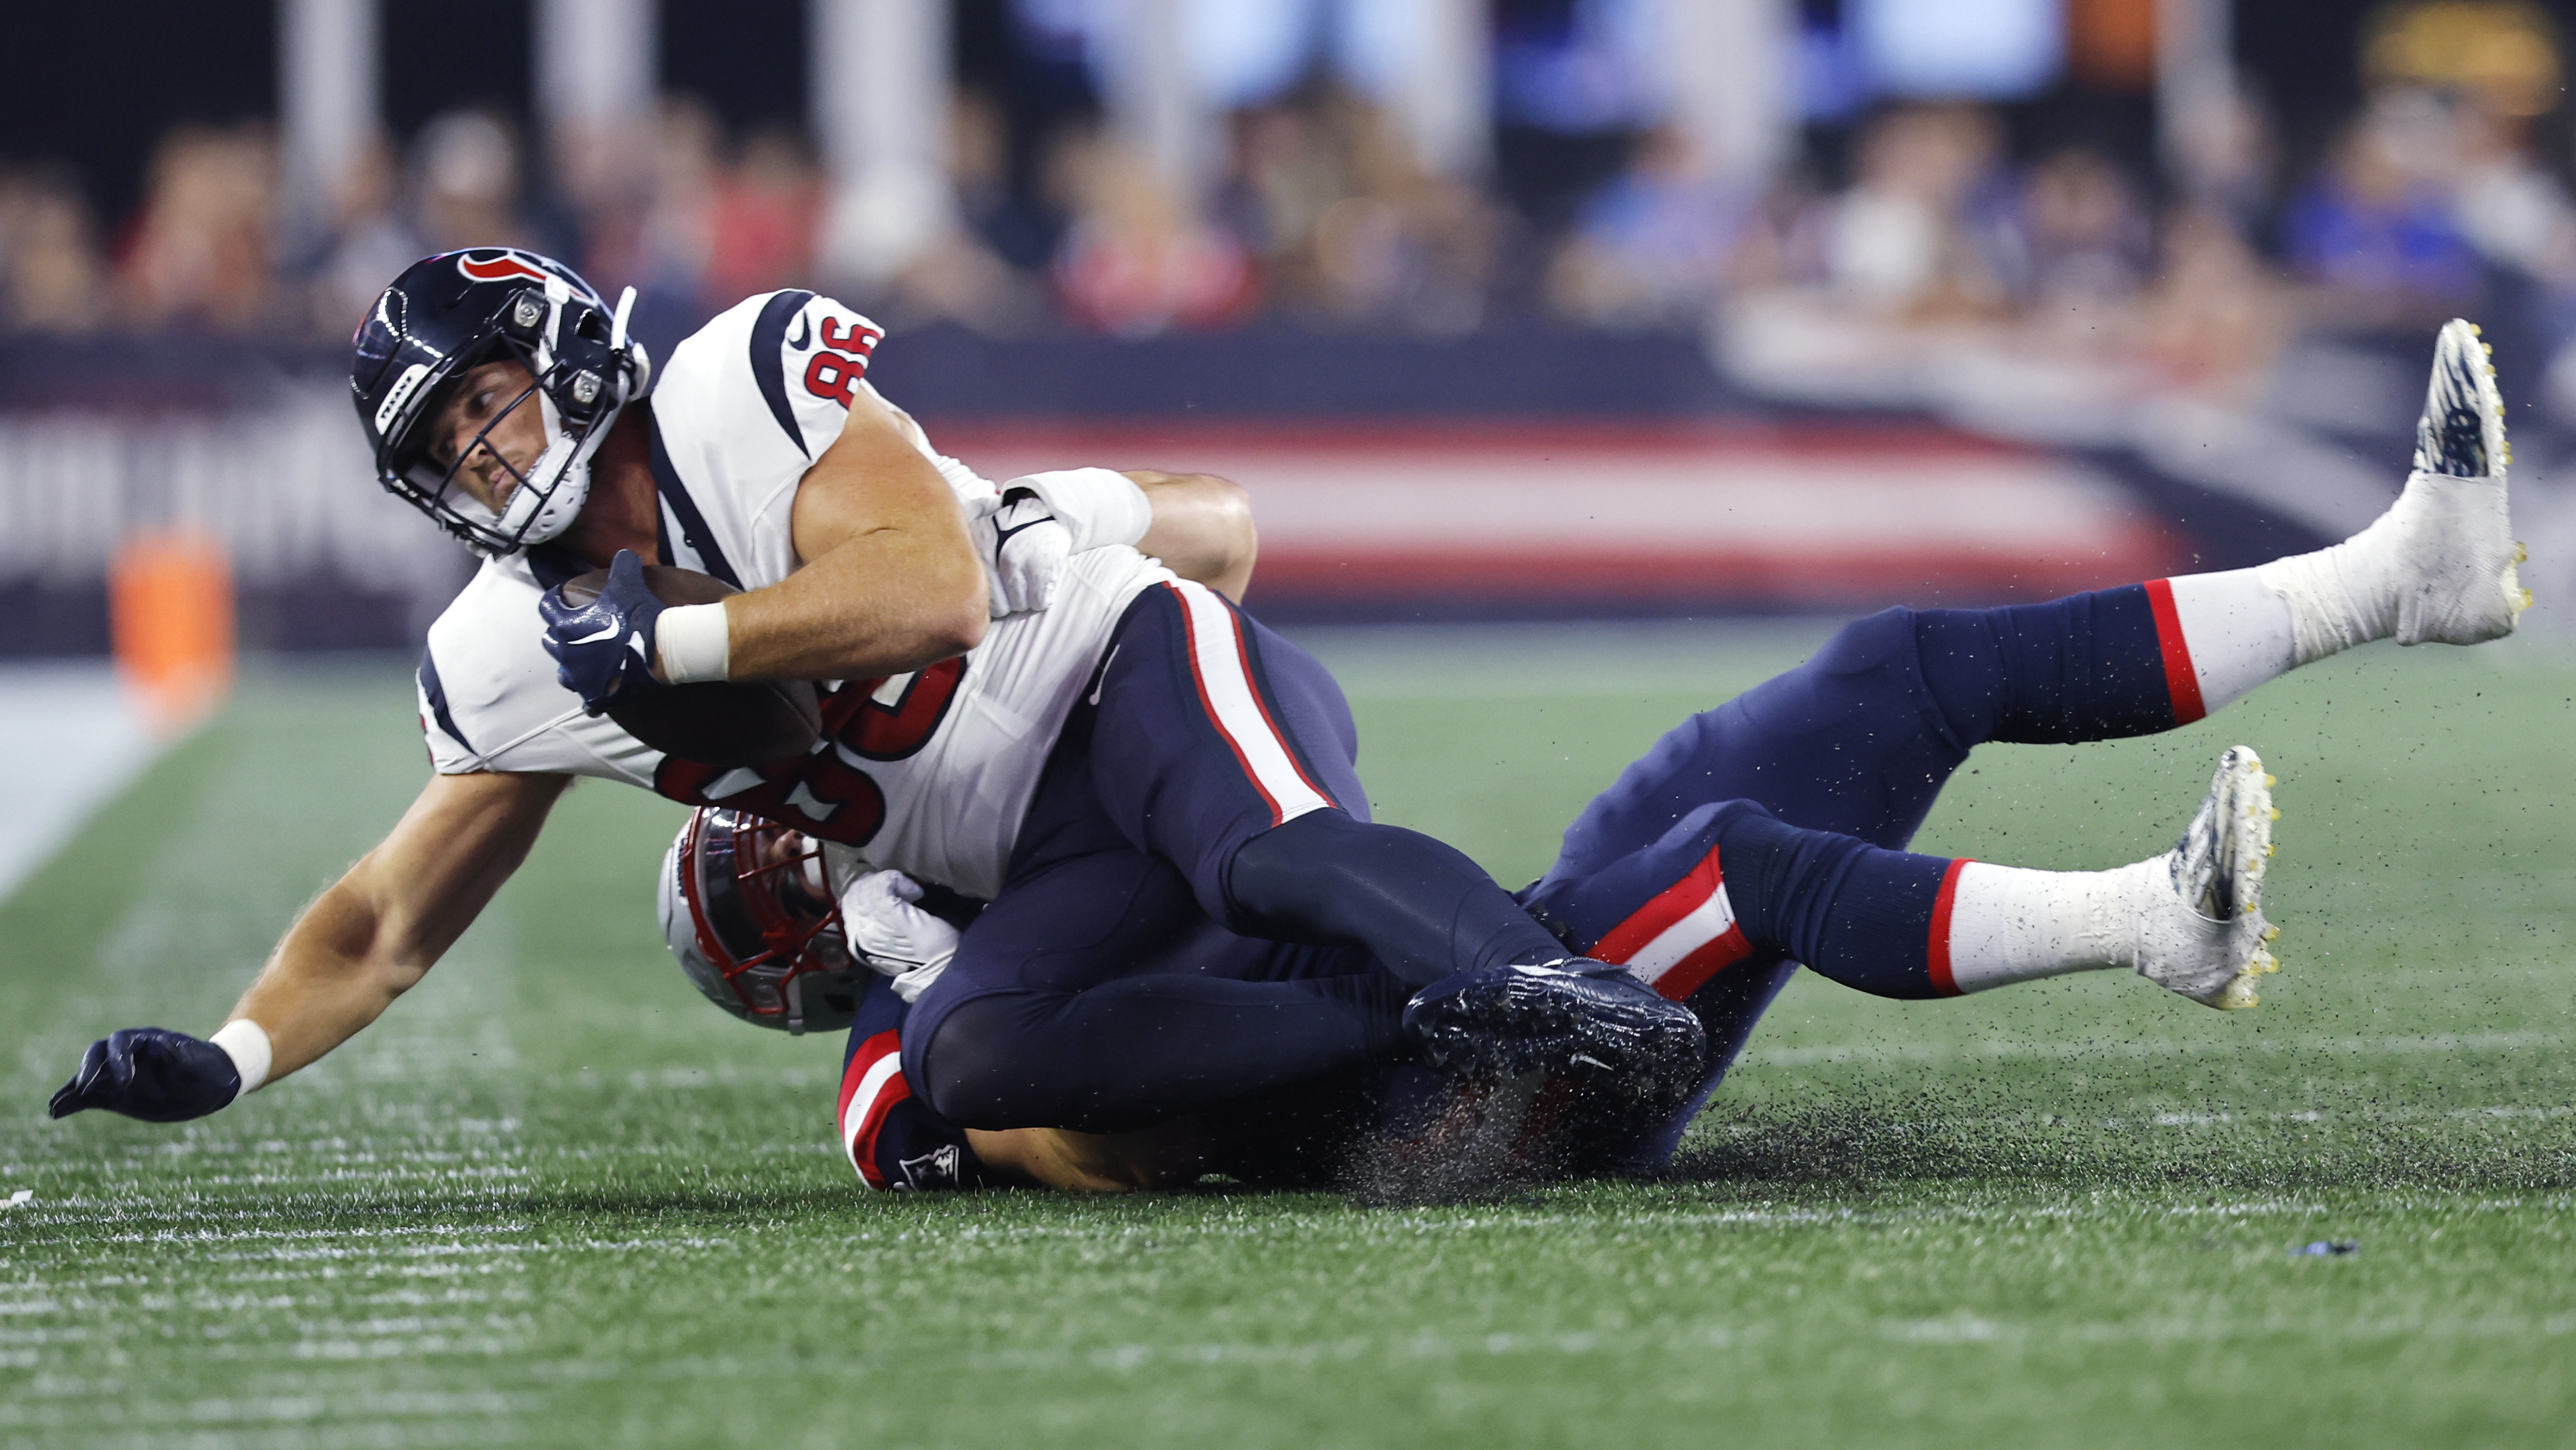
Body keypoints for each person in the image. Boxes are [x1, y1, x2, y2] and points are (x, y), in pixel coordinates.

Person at [656, 319, 2528, 1192]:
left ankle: (2386, 583)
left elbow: (1212, 578)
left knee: (1889, 672)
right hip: (1446, 1090)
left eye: (780, 832)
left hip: (1483, 946)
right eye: (779, 885)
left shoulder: (997, 770)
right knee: (1726, 859)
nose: (805, 847)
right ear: (800, 955)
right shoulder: (917, 1021)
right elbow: (1041, 1134)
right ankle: (2149, 922)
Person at [45, 246, 1696, 1127]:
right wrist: (234, 1056)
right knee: (980, 1064)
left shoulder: (729, 387)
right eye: (444, 449)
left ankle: (1578, 988)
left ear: (554, 354)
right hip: (1021, 857)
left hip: (1114, 669)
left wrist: (677, 646)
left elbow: (933, 591)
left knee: (1258, 852)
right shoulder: (499, 653)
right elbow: (385, 924)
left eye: (486, 402)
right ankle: (1408, 1039)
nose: (482, 452)